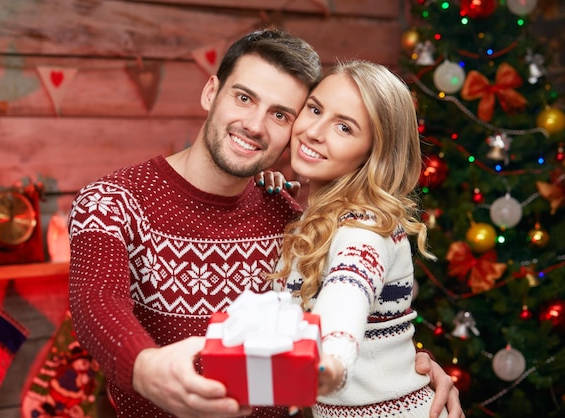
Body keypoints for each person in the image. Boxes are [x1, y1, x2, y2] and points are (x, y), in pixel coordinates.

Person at [67, 28, 462, 418]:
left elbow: (349, 300)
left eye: (280, 114)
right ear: (211, 93)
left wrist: (408, 366)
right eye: (243, 98)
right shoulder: (113, 199)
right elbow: (96, 299)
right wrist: (145, 366)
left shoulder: (292, 217)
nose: (255, 126)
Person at [271, 60, 454, 417]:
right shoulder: (313, 217)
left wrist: (332, 357)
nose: (314, 131)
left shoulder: (365, 226)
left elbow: (348, 291)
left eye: (344, 127)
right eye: (315, 109)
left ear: (374, 151)